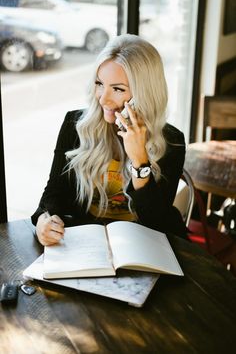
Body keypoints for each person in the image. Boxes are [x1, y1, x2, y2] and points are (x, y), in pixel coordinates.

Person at [32, 34, 188, 245]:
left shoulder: (172, 141)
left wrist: (139, 159)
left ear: (145, 93)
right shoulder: (74, 125)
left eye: (117, 89)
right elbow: (54, 194)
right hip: (86, 244)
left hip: (142, 246)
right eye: (99, 84)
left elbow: (157, 223)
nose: (103, 98)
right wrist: (44, 221)